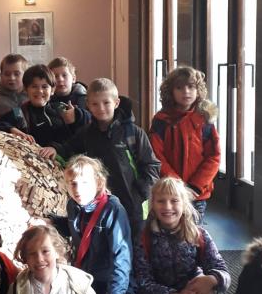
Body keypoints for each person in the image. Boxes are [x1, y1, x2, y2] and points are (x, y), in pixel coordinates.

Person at [54, 155, 142, 294]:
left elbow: (121, 256)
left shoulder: (113, 209)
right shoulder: (73, 205)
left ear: (98, 183)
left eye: (85, 183)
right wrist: (51, 221)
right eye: (73, 183)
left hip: (111, 277)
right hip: (86, 274)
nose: (78, 189)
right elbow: (77, 230)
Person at [49, 77, 160, 238]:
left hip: (133, 207)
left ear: (116, 103)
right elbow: (68, 149)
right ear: (88, 105)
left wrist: (141, 194)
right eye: (95, 104)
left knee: (135, 244)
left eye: (106, 102)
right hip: (101, 204)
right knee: (106, 242)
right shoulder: (87, 133)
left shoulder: (133, 133)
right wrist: (54, 149)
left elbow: (151, 165)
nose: (101, 108)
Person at [149, 65, 220, 222]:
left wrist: (195, 186)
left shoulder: (205, 120)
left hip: (197, 194)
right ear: (171, 91)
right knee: (168, 228)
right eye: (179, 88)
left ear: (198, 90)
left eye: (191, 87)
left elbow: (213, 157)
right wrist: (177, 185)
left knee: (193, 230)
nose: (186, 91)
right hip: (169, 192)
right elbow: (156, 155)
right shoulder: (162, 120)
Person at [17, 64, 89, 154]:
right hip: (35, 157)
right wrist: (13, 129)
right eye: (34, 86)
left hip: (64, 156)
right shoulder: (19, 111)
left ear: (52, 90)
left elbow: (85, 130)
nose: (40, 91)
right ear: (25, 89)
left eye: (44, 87)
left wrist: (77, 117)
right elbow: (0, 123)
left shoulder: (60, 108)